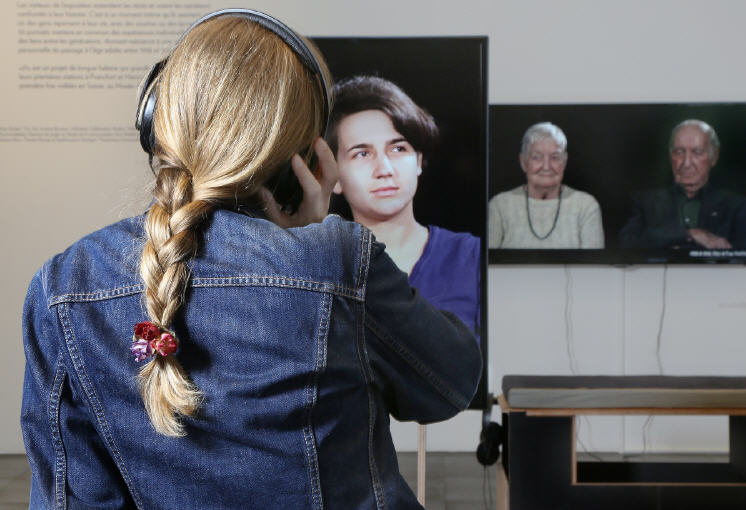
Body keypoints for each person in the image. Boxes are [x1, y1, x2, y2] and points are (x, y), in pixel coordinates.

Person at [20, 10, 481, 510]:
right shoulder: (339, 262)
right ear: (305, 161)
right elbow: (449, 385)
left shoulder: (64, 285)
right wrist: (310, 239)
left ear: (156, 121)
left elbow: (72, 497)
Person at [326, 75, 481, 338]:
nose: (384, 169)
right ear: (335, 176)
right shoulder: (319, 271)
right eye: (362, 154)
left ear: (418, 161)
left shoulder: (471, 257)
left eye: (398, 149)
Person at [620, 119, 746, 251]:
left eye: (697, 152)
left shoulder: (740, 207)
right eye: (679, 152)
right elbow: (626, 244)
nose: (686, 163)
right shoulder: (643, 202)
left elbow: (745, 254)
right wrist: (688, 234)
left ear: (714, 156)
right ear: (670, 155)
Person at [488, 122, 604, 249]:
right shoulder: (500, 206)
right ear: (523, 162)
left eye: (555, 157)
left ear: (564, 162)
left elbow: (594, 261)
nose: (546, 166)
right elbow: (486, 260)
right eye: (537, 157)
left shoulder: (586, 206)